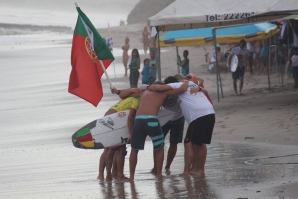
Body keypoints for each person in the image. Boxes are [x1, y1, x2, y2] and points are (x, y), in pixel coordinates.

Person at [148, 76, 215, 176]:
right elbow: (202, 86)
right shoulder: (191, 84)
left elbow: (159, 88)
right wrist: (189, 81)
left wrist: (147, 88)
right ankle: (199, 170)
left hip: (197, 115)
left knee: (188, 143)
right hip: (210, 113)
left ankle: (187, 171)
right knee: (200, 143)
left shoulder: (177, 86)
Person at [129, 81, 189, 181]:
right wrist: (186, 82)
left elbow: (123, 94)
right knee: (159, 147)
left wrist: (123, 90)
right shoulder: (164, 92)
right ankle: (159, 174)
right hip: (152, 120)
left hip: (138, 120)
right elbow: (182, 90)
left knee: (134, 149)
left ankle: (131, 177)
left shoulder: (143, 91)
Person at [97, 89, 140, 181]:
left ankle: (104, 175)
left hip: (107, 119)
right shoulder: (135, 100)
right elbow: (130, 118)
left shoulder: (126, 99)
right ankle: (120, 175)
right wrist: (131, 134)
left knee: (108, 149)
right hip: (114, 121)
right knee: (121, 148)